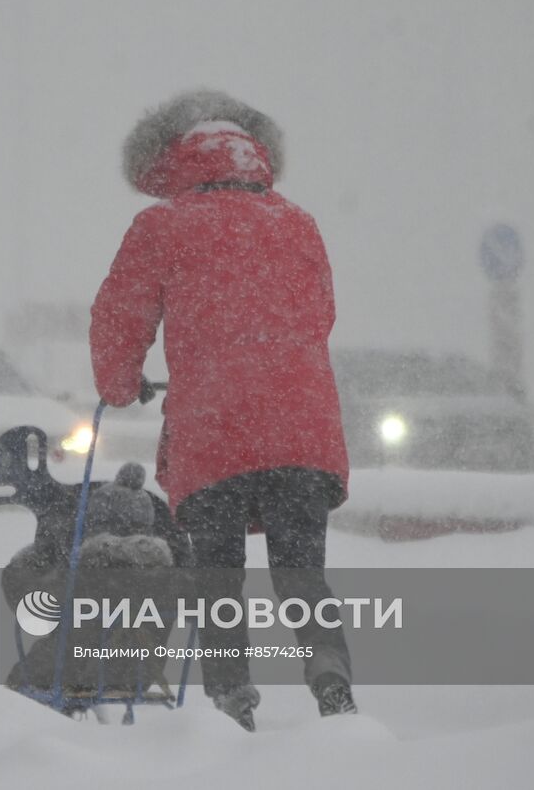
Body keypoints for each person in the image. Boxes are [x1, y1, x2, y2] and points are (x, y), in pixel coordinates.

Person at [89, 90, 354, 731]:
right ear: (257, 155)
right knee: (301, 574)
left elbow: (119, 317)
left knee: (218, 582)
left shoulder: (163, 226)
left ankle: (231, 702)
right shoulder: (299, 222)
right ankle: (331, 678)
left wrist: (121, 385)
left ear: (172, 160)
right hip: (303, 430)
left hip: (216, 432)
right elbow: (321, 315)